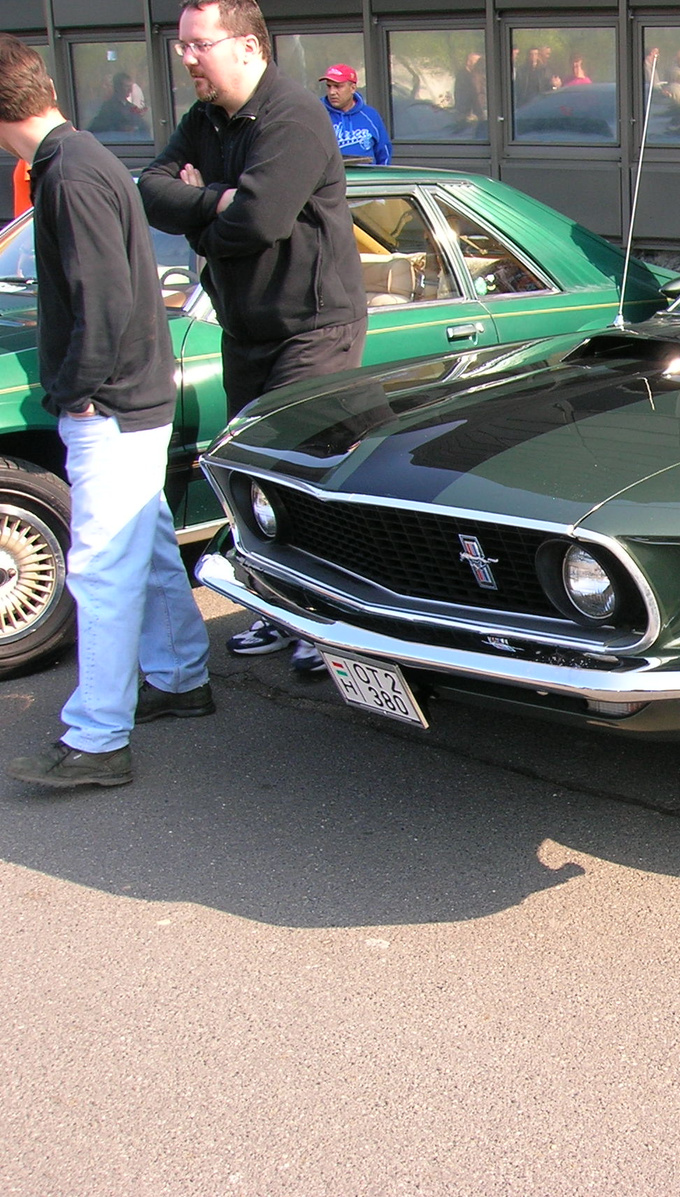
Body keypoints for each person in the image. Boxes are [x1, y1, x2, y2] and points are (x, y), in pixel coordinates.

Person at [0, 35, 212, 789]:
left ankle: (98, 738)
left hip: (111, 403)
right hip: (132, 396)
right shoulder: (82, 156)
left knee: (100, 569)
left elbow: (104, 299)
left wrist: (78, 387)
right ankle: (184, 677)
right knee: (147, 545)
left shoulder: (66, 175)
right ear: (44, 85)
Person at [140, 0, 366, 676]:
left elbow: (261, 221)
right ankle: (274, 608)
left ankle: (324, 626)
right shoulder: (203, 119)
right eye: (179, 45)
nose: (184, 59)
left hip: (313, 328)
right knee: (247, 478)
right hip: (246, 328)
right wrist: (217, 199)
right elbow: (151, 190)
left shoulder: (292, 116)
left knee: (296, 477)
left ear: (245, 45)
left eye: (196, 45)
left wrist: (201, 209)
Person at [320, 63, 390, 165]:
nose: (332, 92)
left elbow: (384, 153)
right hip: (331, 179)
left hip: (365, 179)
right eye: (329, 86)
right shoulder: (318, 114)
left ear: (352, 88)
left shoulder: (370, 115)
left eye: (337, 86)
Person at [87, 71, 149, 140]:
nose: (130, 90)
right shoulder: (108, 107)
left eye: (130, 87)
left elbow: (143, 126)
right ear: (118, 87)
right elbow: (98, 128)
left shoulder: (131, 107)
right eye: (126, 86)